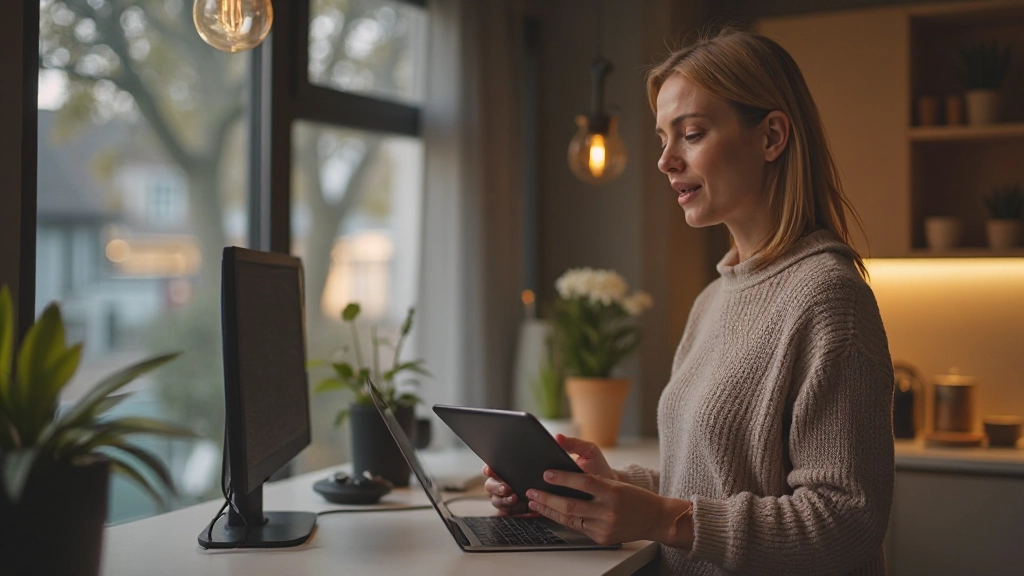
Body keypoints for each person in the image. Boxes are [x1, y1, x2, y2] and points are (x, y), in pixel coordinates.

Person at [484, 28, 895, 575]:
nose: (666, 161)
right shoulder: (712, 300)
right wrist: (600, 485)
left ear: (772, 136)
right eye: (662, 139)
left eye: (692, 134)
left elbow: (846, 521)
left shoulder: (829, 298)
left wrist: (664, 520)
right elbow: (708, 483)